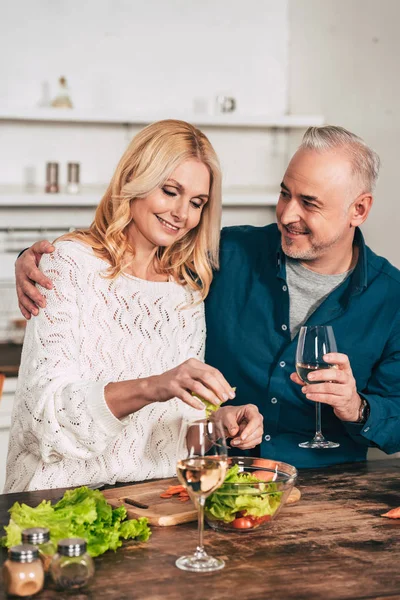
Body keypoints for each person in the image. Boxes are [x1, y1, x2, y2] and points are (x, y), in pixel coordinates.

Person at [16, 125, 400, 469]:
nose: (286, 214)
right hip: (217, 490)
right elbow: (129, 252)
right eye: (285, 194)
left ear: (359, 209)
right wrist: (37, 259)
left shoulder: (392, 298)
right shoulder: (223, 255)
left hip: (331, 496)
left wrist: (358, 407)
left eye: (310, 203)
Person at [5, 119, 263, 492]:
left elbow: (174, 437)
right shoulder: (69, 264)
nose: (181, 214)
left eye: (196, 203)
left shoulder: (185, 295)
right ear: (135, 179)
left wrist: (217, 425)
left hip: (149, 505)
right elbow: (43, 421)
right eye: (170, 191)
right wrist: (153, 386)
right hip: (55, 503)